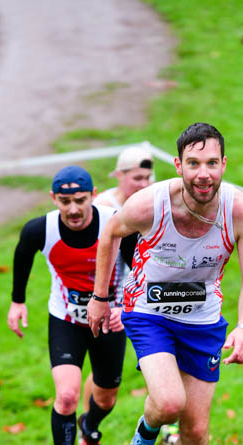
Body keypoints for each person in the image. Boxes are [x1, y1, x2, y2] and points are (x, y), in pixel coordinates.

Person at [87, 122, 243, 445]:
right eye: (194, 163)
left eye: (212, 163)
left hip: (203, 321)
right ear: (178, 165)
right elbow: (110, 234)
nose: (204, 173)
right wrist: (100, 297)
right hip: (150, 312)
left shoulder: (240, 210)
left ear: (224, 164)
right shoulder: (150, 204)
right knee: (168, 402)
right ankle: (146, 432)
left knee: (196, 429)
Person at [7, 165, 126, 445]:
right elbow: (22, 255)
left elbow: (140, 265)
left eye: (80, 200)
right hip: (66, 319)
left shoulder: (117, 223)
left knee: (106, 397)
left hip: (109, 319)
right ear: (53, 198)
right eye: (65, 201)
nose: (73, 209)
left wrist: (126, 307)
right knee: (67, 395)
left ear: (93, 195)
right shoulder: (40, 229)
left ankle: (90, 427)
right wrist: (17, 301)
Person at [80, 146, 154, 412]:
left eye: (147, 178)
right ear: (119, 175)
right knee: (103, 370)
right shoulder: (103, 207)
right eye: (137, 178)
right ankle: (87, 423)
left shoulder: (153, 203)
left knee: (159, 356)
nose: (143, 184)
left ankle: (167, 424)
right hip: (110, 297)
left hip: (146, 294)